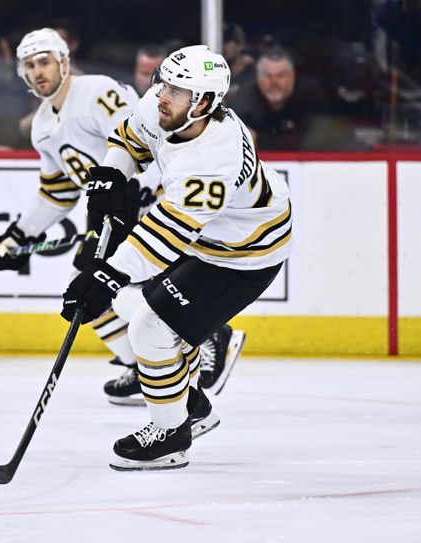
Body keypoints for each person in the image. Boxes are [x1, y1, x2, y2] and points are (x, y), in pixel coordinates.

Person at [60, 45, 292, 471]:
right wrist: (114, 174)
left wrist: (102, 277)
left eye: (177, 90)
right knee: (144, 311)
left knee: (149, 328)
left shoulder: (212, 161)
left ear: (204, 103)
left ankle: (170, 435)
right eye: (164, 83)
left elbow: (163, 239)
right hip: (210, 238)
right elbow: (130, 139)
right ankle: (192, 407)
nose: (163, 95)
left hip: (244, 253)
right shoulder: (168, 106)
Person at [0, 29, 243, 407]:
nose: (38, 71)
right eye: (29, 65)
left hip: (155, 200)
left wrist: (137, 196)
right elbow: (57, 193)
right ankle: (143, 369)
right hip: (117, 212)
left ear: (64, 62)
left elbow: (151, 138)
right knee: (88, 286)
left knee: (118, 282)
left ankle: (208, 336)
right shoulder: (42, 127)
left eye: (44, 62)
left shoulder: (96, 93)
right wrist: (18, 235)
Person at [232, 47, 324, 150]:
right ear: (258, 77)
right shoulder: (242, 102)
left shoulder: (310, 97)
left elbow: (323, 138)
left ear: (292, 76)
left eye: (280, 76)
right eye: (267, 76)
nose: (274, 82)